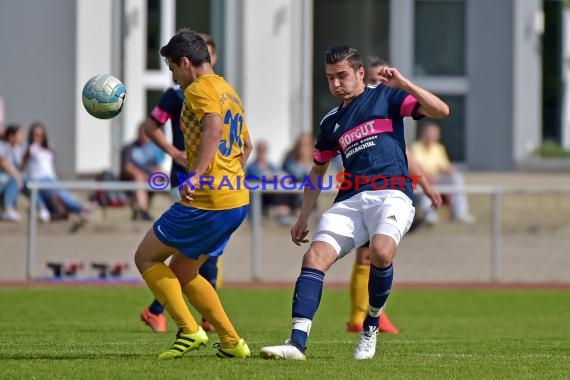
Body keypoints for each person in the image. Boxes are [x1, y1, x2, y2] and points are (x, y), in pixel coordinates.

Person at [260, 45, 449, 360]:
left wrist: (403, 83)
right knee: (314, 258)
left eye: (342, 76)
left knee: (381, 252)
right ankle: (296, 344)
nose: (335, 83)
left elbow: (441, 111)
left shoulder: (387, 97)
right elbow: (317, 170)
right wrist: (302, 217)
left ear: (361, 73)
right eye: (330, 78)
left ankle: (370, 325)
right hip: (349, 200)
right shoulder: (331, 121)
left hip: (392, 194)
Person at [134, 29, 253, 360]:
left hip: (208, 201)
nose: (174, 75)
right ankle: (231, 342)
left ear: (185, 62)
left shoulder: (199, 89)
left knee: (145, 257)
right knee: (185, 271)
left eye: (173, 68)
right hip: (235, 200)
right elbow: (247, 146)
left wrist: (198, 175)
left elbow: (214, 127)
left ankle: (189, 330)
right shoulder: (228, 90)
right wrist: (229, 180)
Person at [345, 57, 443, 335]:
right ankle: (361, 316)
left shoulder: (390, 108)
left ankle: (364, 315)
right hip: (363, 189)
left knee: (377, 254)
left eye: (383, 80)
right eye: (374, 79)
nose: (378, 85)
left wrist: (426, 185)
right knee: (368, 256)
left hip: (387, 191)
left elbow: (404, 153)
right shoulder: (356, 108)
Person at [139, 32, 220, 334]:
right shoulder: (176, 95)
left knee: (199, 252)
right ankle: (199, 319)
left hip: (213, 181)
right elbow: (151, 126)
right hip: (185, 179)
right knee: (200, 250)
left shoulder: (216, 91)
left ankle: (159, 310)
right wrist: (174, 152)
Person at [22, 122, 91, 221]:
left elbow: (50, 167)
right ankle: (80, 207)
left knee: (61, 192)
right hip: (39, 179)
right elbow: (23, 164)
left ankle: (80, 209)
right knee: (59, 192)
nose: (39, 138)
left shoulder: (48, 149)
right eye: (36, 135)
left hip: (51, 179)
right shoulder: (30, 148)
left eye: (41, 135)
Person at [411, 122, 474, 224]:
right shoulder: (415, 147)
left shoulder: (438, 148)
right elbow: (415, 167)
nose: (432, 136)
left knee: (457, 178)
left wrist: (450, 169)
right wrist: (426, 176)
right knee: (425, 185)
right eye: (430, 133)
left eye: (435, 133)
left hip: (436, 178)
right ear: (424, 133)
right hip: (420, 179)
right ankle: (429, 215)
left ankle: (459, 212)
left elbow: (443, 166)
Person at [0, 124, 51, 222]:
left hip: (11, 179)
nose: (22, 137)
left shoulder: (18, 149)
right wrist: (16, 175)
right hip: (3, 178)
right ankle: (8, 208)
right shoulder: (2, 146)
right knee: (18, 179)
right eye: (20, 135)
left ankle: (42, 208)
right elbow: (2, 163)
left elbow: (20, 167)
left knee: (27, 182)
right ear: (11, 136)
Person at [246, 140, 297, 225]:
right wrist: (275, 177)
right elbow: (261, 177)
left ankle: (281, 210)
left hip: (271, 196)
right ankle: (278, 211)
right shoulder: (251, 166)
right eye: (260, 150)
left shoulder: (271, 165)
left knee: (286, 185)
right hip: (258, 198)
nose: (262, 152)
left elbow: (285, 177)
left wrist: (276, 177)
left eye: (264, 150)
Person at [120, 123, 164, 221]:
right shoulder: (129, 148)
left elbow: (158, 166)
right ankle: (144, 211)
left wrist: (156, 174)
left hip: (150, 178)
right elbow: (127, 168)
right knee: (138, 178)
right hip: (134, 178)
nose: (144, 136)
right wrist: (142, 175)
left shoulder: (155, 148)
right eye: (142, 133)